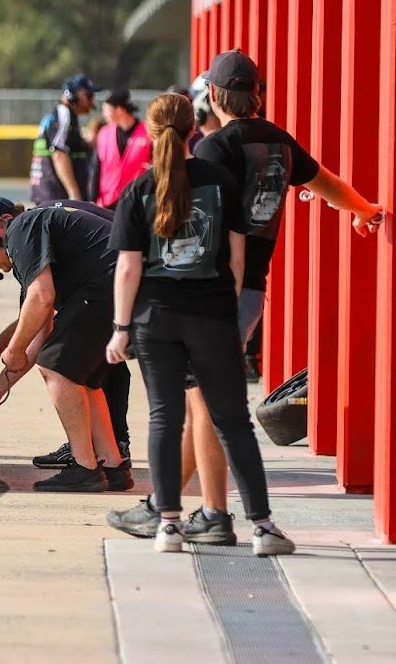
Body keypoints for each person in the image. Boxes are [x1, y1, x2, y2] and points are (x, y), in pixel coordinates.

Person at [108, 50, 383, 546]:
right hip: (252, 289)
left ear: (212, 95)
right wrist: (365, 210)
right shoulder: (278, 142)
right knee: (202, 404)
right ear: (259, 93)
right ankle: (161, 506)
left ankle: (211, 513)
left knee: (204, 407)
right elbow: (326, 184)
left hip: (210, 294)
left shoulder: (214, 151)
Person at [103, 92, 295, 556]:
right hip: (211, 316)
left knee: (165, 419)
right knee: (233, 422)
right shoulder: (223, 183)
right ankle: (264, 528)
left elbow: (128, 268)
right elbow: (236, 257)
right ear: (195, 129)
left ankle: (167, 525)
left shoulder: (139, 190)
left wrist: (121, 328)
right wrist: (222, 309)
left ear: (150, 134)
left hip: (155, 319)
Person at [0, 206, 131, 493]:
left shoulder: (22, 232)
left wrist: (14, 349)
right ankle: (113, 466)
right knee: (83, 380)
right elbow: (41, 334)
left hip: (109, 283)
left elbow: (41, 299)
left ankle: (86, 467)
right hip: (116, 285)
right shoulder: (32, 252)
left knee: (58, 367)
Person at [30, 74, 96, 204]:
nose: (92, 101)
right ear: (79, 94)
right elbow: (59, 153)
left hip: (48, 193)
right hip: (56, 196)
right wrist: (74, 193)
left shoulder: (60, 115)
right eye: (89, 95)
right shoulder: (64, 114)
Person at [92, 88, 152, 210]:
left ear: (119, 109)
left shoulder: (148, 133)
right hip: (107, 203)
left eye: (106, 109)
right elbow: (96, 168)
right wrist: (92, 199)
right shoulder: (104, 133)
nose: (103, 114)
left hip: (137, 204)